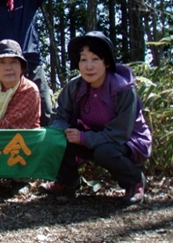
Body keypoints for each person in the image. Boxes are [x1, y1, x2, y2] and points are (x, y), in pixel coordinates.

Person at [43, 31, 152, 205]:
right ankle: (68, 181)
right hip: (91, 135)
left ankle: (134, 181)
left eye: (95, 59)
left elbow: (120, 133)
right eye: (84, 59)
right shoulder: (75, 87)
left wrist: (84, 138)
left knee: (105, 152)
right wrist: (58, 132)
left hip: (127, 140)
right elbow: (61, 114)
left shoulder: (123, 89)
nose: (89, 66)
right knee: (59, 137)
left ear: (107, 62)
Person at [0, 39, 40, 130]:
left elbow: (7, 127)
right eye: (2, 63)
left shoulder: (30, 90)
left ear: (21, 68)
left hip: (22, 142)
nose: (8, 68)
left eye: (13, 62)